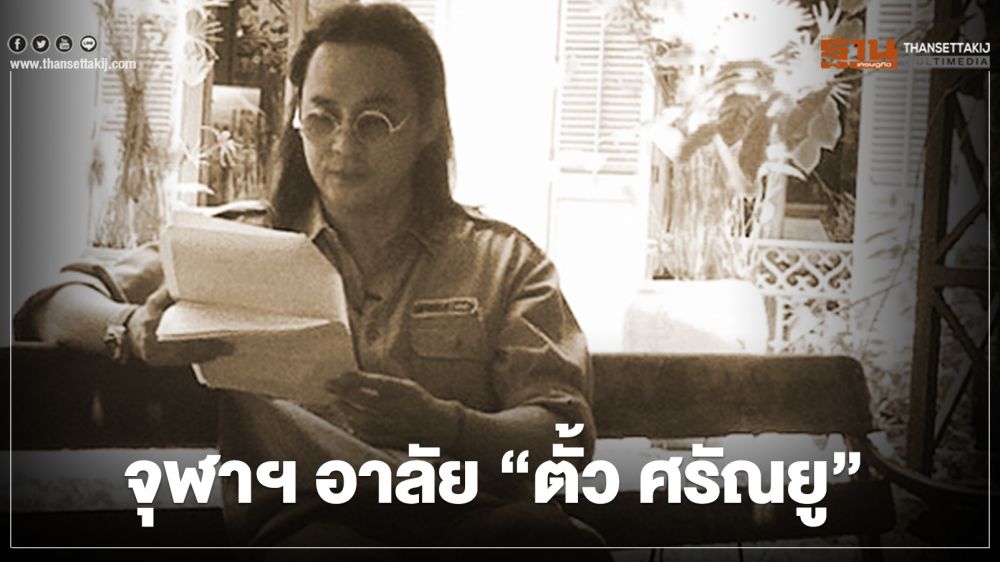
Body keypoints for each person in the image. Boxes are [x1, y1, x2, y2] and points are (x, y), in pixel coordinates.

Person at [15, 2, 605, 552]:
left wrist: (444, 426)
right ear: (298, 120)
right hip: (310, 526)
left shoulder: (503, 261)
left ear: (428, 123)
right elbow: (53, 300)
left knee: (551, 541)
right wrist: (131, 332)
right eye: (322, 117)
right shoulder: (236, 246)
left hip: (472, 522)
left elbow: (566, 435)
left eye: (375, 121)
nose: (343, 144)